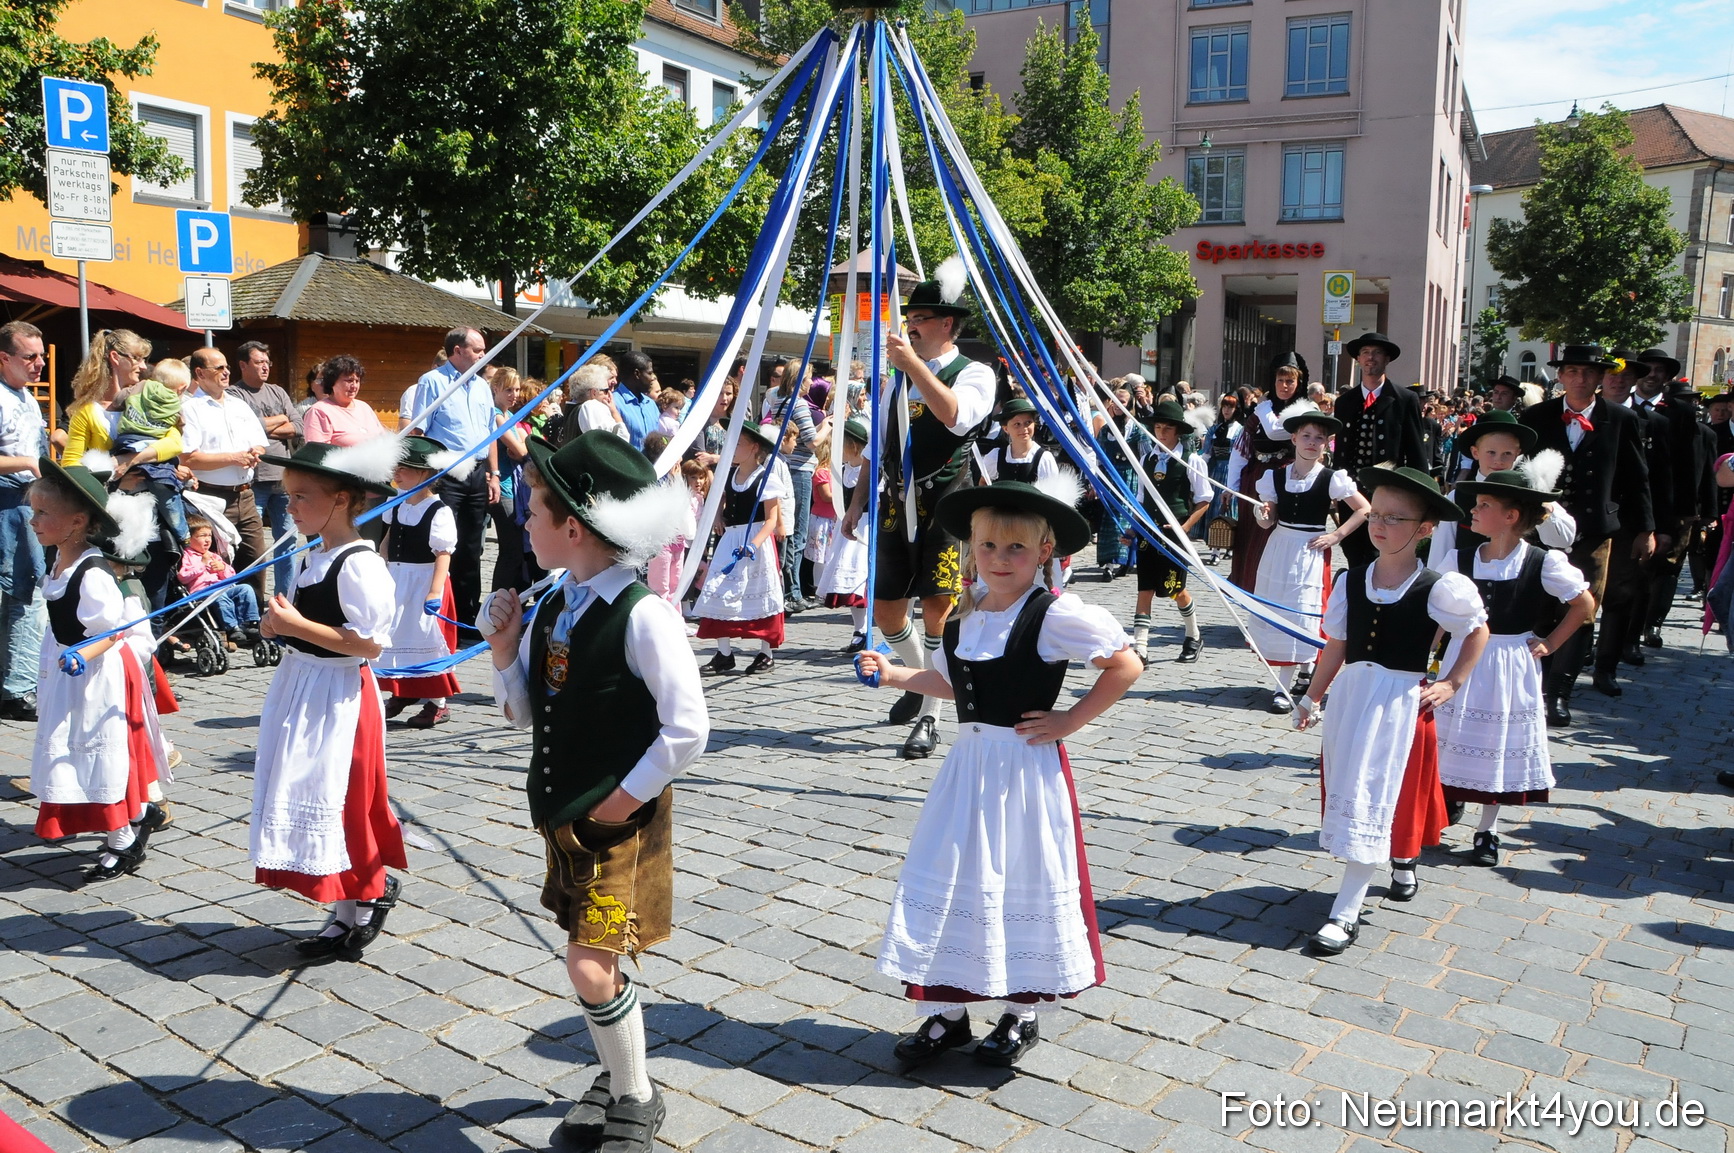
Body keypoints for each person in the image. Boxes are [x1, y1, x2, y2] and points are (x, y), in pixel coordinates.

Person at [857, 475, 1140, 1070]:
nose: (999, 559)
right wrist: (893, 675)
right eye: (988, 546)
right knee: (955, 874)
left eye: (1016, 548)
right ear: (971, 549)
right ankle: (949, 1012)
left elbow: (1125, 664)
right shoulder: (963, 616)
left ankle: (1021, 1009)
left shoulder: (1055, 614)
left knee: (1017, 877)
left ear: (1043, 551)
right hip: (967, 768)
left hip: (1024, 771)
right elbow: (952, 684)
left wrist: (1071, 720)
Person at [483, 430, 706, 1153]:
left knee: (588, 962)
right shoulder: (555, 603)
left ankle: (636, 1098)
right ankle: (615, 1074)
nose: (524, 523)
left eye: (534, 511)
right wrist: (504, 650)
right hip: (565, 816)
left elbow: (688, 728)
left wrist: (620, 801)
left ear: (572, 527)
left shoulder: (645, 614)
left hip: (620, 821)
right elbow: (523, 711)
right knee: (593, 964)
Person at [1293, 467, 1488, 954]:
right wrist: (1312, 695)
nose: (1379, 525)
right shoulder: (1351, 580)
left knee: (1377, 794)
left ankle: (1346, 911)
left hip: (1401, 705)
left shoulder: (1439, 587)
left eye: (1394, 518)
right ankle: (1403, 858)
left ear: (1424, 529)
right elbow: (1337, 645)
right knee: (1360, 791)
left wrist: (1451, 683)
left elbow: (1477, 630)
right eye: (1375, 514)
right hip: (1353, 701)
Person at [251, 441, 406, 963]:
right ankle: (341, 908)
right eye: (289, 496)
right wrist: (280, 628)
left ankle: (366, 896)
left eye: (301, 496)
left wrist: (297, 626)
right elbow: (311, 627)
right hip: (303, 687)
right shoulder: (315, 553)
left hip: (338, 696)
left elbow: (369, 643)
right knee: (314, 789)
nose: (289, 506)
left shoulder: (358, 564)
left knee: (345, 799)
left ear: (340, 499)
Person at [839, 261, 994, 760]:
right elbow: (877, 448)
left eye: (921, 317)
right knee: (885, 611)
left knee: (937, 610)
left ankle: (931, 714)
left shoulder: (975, 372)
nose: (910, 324)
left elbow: (954, 415)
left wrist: (914, 367)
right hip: (892, 502)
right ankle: (916, 678)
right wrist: (855, 504)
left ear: (947, 324)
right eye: (909, 317)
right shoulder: (895, 380)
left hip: (946, 504)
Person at [1434, 462, 1593, 869]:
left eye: (1483, 504)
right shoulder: (1459, 558)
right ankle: (1448, 799)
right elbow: (1438, 613)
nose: (1473, 509)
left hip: (1510, 664)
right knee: (1451, 731)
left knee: (1497, 742)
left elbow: (1584, 604)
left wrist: (1551, 642)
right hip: (1463, 656)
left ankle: (1488, 827)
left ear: (1511, 516)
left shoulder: (1543, 562)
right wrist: (1427, 653)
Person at [28, 459, 166, 880]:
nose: (33, 521)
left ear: (76, 521)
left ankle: (123, 837)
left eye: (41, 514)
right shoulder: (60, 562)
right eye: (33, 511)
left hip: (97, 676)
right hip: (71, 670)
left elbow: (112, 632)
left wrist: (81, 655)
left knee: (98, 749)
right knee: (72, 745)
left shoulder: (92, 572)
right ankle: (139, 811)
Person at [1518, 344, 1652, 726]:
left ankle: (1559, 693)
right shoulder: (1537, 416)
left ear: (1601, 378)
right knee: (1541, 607)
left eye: (1588, 373)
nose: (1580, 379)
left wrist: (1645, 528)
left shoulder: (1621, 418)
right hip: (1541, 530)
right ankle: (1535, 688)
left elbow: (1636, 477)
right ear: (1560, 376)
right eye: (1572, 372)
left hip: (1594, 532)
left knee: (1581, 609)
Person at [1248, 405, 1368, 712]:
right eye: (1306, 436)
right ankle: (1295, 675)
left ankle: (1288, 684)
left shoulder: (1331, 478)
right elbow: (1266, 519)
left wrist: (1336, 535)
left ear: (1326, 444)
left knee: (1304, 611)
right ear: (1293, 439)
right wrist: (1262, 513)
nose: (1312, 442)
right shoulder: (1274, 477)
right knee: (1281, 610)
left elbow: (1364, 508)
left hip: (1311, 548)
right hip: (1280, 548)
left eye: (1319, 438)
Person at [409, 328, 503, 638]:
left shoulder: (482, 387)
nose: (483, 355)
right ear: (458, 350)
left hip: (477, 473)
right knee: (442, 544)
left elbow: (490, 435)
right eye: (477, 350)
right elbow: (419, 431)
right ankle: (436, 614)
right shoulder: (432, 382)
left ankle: (467, 614)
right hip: (445, 471)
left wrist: (494, 474)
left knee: (472, 547)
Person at [376, 436, 462, 729]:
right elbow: (387, 540)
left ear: (425, 475)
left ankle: (437, 702)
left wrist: (434, 591)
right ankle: (403, 692)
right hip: (399, 580)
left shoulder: (438, 512)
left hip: (425, 582)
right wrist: (382, 566)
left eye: (404, 468)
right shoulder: (396, 503)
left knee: (427, 638)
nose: (396, 473)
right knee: (397, 635)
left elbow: (443, 554)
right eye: (396, 467)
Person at [1426, 409, 1577, 567]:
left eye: (1507, 453)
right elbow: (1439, 555)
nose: (1498, 460)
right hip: (1467, 584)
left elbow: (1563, 539)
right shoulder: (1457, 498)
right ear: (1475, 452)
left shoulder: (1531, 493)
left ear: (1518, 454)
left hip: (1518, 583)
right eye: (1491, 452)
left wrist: (1540, 506)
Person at [692, 424, 785, 674]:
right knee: (719, 591)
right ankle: (724, 654)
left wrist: (754, 545)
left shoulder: (766, 478)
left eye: (738, 444)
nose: (731, 449)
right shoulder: (730, 474)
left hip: (756, 543)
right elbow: (722, 497)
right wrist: (718, 518)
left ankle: (766, 653)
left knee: (759, 594)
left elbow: (772, 519)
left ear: (754, 447)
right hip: (731, 540)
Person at [182, 347, 270, 601]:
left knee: (255, 558)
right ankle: (224, 625)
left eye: (227, 367)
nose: (226, 372)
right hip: (210, 498)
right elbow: (189, 457)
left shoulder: (238, 405)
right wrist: (234, 457)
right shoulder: (191, 408)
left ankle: (253, 621)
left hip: (246, 495)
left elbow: (260, 442)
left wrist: (255, 451)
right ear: (199, 373)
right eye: (218, 368)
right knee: (215, 563)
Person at [1333, 334, 1428, 568]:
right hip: (1352, 492)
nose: (1370, 358)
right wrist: (1335, 491)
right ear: (1358, 359)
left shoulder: (1404, 399)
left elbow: (1416, 452)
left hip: (1388, 491)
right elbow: (1340, 452)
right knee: (1353, 550)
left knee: (1383, 553)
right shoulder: (1345, 402)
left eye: (1376, 353)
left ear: (1386, 359)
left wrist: (1422, 497)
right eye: (1365, 352)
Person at [1126, 401, 1211, 662]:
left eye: (1167, 429)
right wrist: (1133, 529)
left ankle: (1193, 635)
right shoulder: (1146, 458)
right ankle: (1141, 647)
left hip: (1175, 535)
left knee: (1175, 589)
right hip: (1148, 533)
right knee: (1145, 588)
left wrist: (1185, 526)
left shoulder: (1191, 460)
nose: (1161, 433)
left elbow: (1205, 498)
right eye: (1158, 428)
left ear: (1178, 432)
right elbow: (1140, 498)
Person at [0, 321, 48, 721]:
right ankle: (17, 688)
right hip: (5, 501)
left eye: (42, 356)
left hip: (25, 502)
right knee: (21, 596)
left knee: (27, 593)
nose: (40, 364)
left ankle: (18, 685)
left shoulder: (27, 398)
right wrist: (28, 462)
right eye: (30, 357)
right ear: (4, 358)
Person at [1227, 353, 1306, 590]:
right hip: (1255, 480)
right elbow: (1240, 451)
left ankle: (1275, 596)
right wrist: (1231, 488)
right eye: (1280, 380)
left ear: (1298, 383)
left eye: (1290, 381)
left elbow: (1277, 432)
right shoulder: (1261, 411)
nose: (1284, 386)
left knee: (1275, 539)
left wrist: (1262, 408)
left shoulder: (1303, 409)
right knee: (1250, 541)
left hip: (1287, 481)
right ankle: (1250, 594)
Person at [232, 341, 303, 597]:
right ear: (243, 365)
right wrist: (280, 419)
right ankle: (252, 599)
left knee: (288, 542)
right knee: (253, 545)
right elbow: (243, 427)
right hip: (254, 479)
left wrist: (263, 425)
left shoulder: (278, 391)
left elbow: (298, 426)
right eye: (259, 362)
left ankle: (286, 597)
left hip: (283, 480)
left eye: (267, 362)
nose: (265, 367)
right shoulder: (235, 394)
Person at [763, 361, 823, 613]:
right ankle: (793, 591)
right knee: (796, 530)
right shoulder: (798, 403)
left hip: (790, 466)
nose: (811, 383)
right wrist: (830, 424)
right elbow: (812, 442)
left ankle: (791, 587)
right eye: (808, 378)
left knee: (790, 529)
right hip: (800, 469)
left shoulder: (778, 401)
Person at [819, 419, 871, 651]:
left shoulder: (869, 472)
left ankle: (869, 630)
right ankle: (859, 631)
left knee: (864, 581)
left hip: (866, 530)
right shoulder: (842, 471)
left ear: (854, 446)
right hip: (847, 531)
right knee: (851, 586)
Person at [178, 515, 261, 648]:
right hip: (202, 592)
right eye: (202, 536)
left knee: (246, 588)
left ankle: (251, 623)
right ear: (190, 539)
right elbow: (183, 576)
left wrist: (222, 569)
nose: (207, 540)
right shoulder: (187, 555)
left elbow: (231, 576)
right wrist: (202, 565)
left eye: (209, 536)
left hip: (222, 588)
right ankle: (232, 627)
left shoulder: (214, 555)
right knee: (219, 594)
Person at [490, 369, 532, 593]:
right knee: (511, 551)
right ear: (495, 388)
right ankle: (497, 601)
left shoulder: (510, 417)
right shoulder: (496, 415)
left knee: (518, 552)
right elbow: (520, 450)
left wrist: (523, 449)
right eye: (508, 389)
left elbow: (529, 446)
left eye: (516, 389)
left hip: (518, 489)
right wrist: (522, 449)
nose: (514, 394)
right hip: (504, 489)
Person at [612, 351, 662, 450]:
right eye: (649, 373)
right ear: (637, 374)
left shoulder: (651, 404)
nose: (652, 378)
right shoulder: (613, 403)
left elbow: (658, 439)